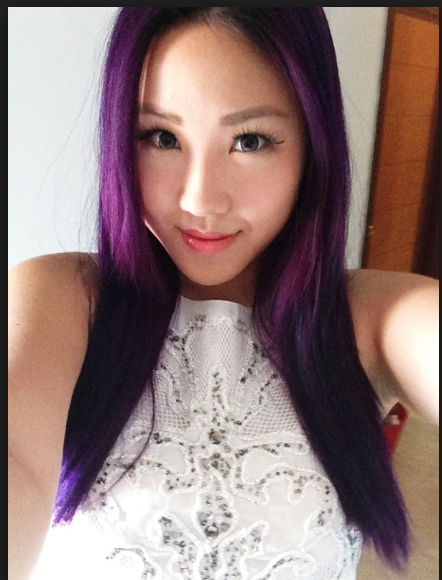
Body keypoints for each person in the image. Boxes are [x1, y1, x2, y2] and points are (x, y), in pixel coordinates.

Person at [8, 8, 439, 580]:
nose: (201, 200)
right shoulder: (65, 301)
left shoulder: (371, 320)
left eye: (250, 141)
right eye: (162, 137)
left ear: (312, 148)